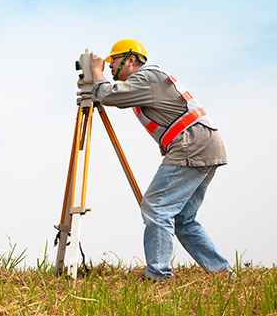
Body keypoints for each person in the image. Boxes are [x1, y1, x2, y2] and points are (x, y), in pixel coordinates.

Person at [90, 39, 229, 282]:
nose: (110, 66)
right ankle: (221, 272)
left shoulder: (145, 77)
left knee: (156, 208)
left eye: (114, 60)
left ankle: (160, 276)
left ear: (131, 59)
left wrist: (96, 73)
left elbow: (110, 96)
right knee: (182, 219)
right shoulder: (150, 79)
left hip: (191, 145)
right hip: (204, 144)